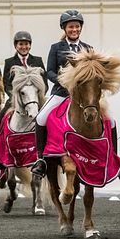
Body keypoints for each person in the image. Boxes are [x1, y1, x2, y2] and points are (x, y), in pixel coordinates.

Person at [30, 10, 93, 177]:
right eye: (71, 27)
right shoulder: (56, 48)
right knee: (41, 118)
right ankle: (41, 158)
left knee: (111, 121)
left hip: (84, 97)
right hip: (61, 93)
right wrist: (62, 80)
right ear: (64, 29)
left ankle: (113, 157)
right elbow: (49, 71)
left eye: (77, 26)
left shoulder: (88, 48)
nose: (74, 30)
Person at [0, 31, 47, 173]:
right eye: (21, 44)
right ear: (16, 46)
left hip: (35, 99)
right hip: (16, 100)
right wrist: (14, 97)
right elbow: (7, 84)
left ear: (30, 45)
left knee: (49, 123)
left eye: (26, 44)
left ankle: (44, 157)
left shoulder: (37, 60)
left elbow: (44, 83)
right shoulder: (9, 62)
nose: (23, 46)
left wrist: (38, 95)